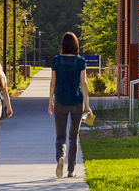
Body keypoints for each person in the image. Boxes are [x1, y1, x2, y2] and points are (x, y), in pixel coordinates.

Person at [48, 31, 92, 179]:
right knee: (74, 136)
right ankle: (71, 170)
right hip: (76, 102)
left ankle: (61, 156)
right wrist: (87, 104)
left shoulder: (56, 60)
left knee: (60, 136)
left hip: (60, 101)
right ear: (75, 45)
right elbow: (84, 83)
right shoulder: (80, 61)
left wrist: (50, 102)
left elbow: (53, 83)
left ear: (63, 45)